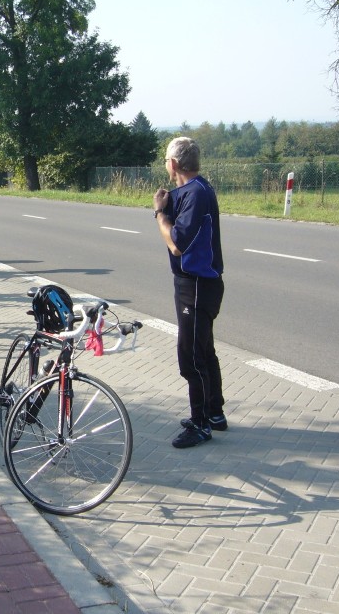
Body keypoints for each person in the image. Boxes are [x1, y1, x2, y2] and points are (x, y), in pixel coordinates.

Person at [153, 137, 226, 449]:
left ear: (173, 164)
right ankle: (214, 413)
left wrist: (159, 212)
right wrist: (170, 204)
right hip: (197, 284)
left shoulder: (196, 193)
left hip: (196, 284)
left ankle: (200, 424)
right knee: (204, 350)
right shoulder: (194, 190)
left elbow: (176, 243)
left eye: (166, 161)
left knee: (190, 357)